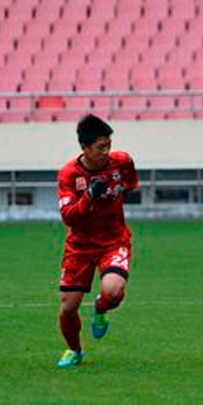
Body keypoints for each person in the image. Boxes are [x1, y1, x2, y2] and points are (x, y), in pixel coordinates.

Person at [55, 114, 138, 369]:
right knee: (68, 309)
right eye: (100, 147)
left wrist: (120, 190)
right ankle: (74, 350)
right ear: (85, 147)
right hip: (80, 247)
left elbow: (131, 182)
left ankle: (100, 310)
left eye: (108, 145)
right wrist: (90, 196)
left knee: (113, 292)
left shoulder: (121, 161)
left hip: (114, 241)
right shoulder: (69, 174)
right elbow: (69, 217)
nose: (107, 151)